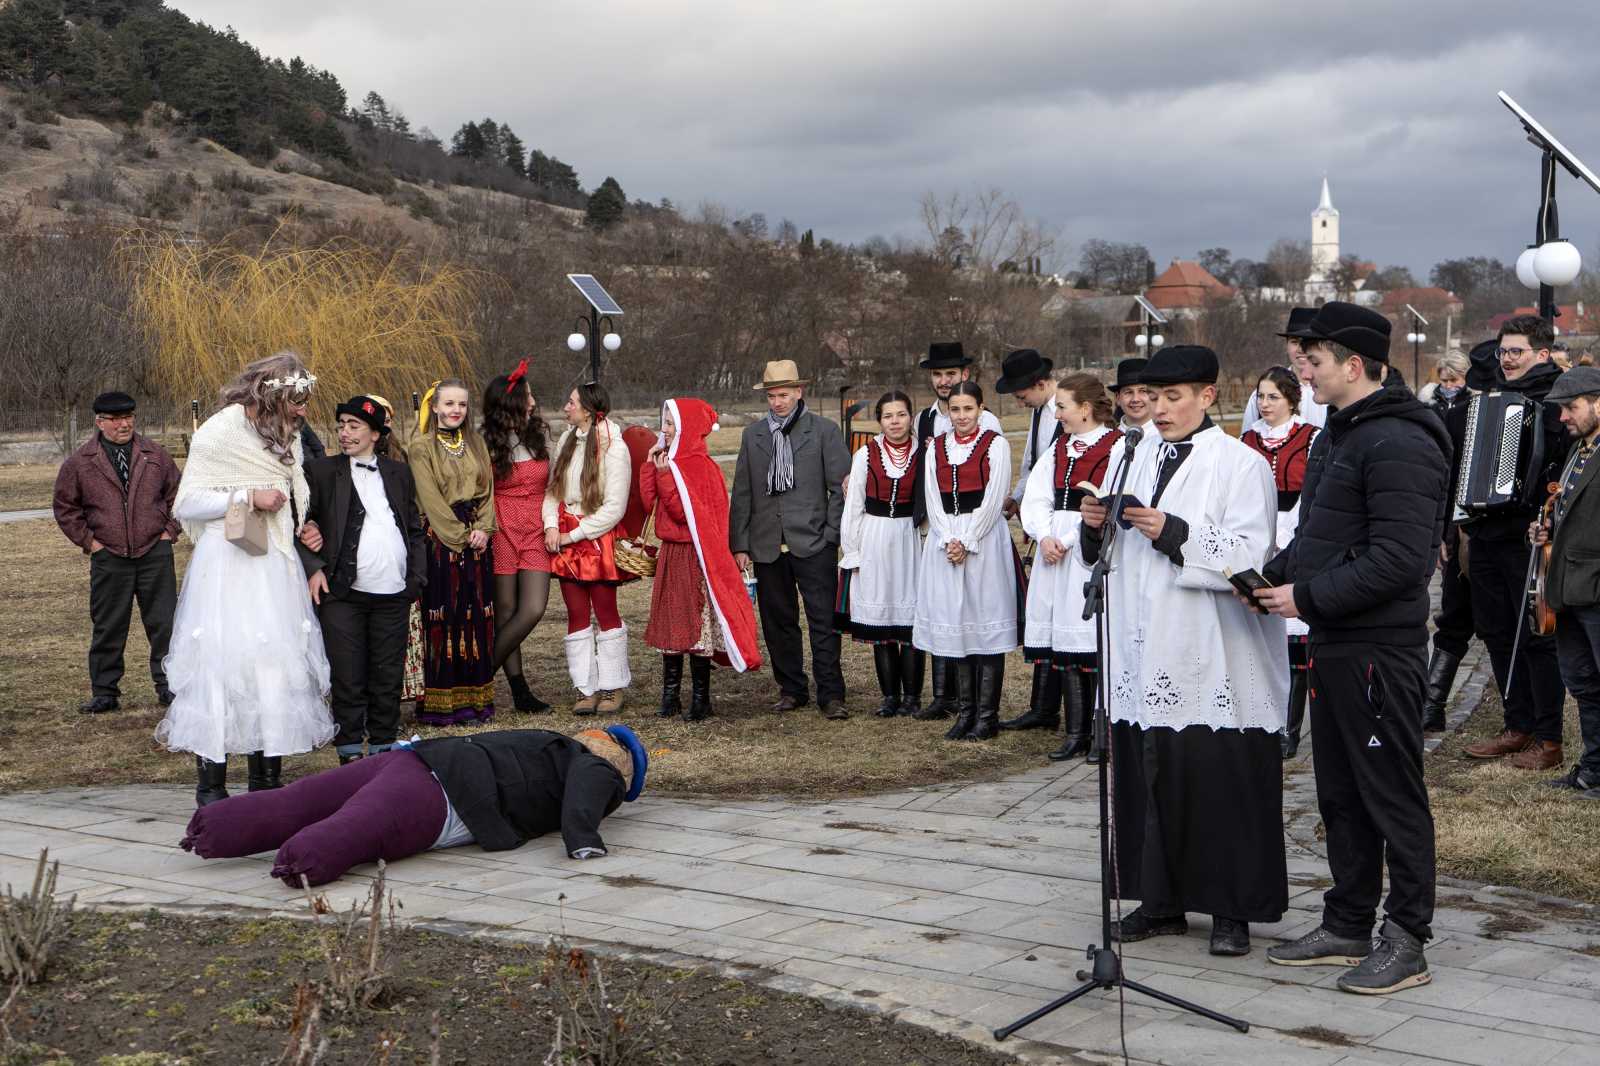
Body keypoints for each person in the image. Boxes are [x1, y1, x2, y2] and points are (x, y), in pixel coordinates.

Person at [1259, 301, 1449, 994]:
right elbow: (1321, 536)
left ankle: (1407, 938)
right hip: (1336, 644)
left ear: (1355, 364)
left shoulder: (1398, 440)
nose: (1301, 368)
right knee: (1340, 793)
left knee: (1390, 794)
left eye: (1313, 359)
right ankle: (1347, 921)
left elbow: (1401, 560)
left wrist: (1305, 598)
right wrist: (1269, 576)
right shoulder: (1341, 432)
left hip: (1379, 651)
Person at [1078, 344, 1287, 958]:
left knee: (1219, 776)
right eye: (1153, 398)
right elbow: (1109, 553)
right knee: (1151, 770)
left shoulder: (1241, 464)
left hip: (1214, 643)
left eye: (1174, 398)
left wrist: (1172, 532)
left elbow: (1251, 555)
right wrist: (1095, 524)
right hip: (1146, 636)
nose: (1160, 409)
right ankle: (1160, 899)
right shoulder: (1130, 455)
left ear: (1206, 396)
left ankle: (1231, 909)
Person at [156, 353, 335, 805]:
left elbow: (295, 498)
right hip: (229, 566)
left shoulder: (288, 438)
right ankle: (211, 786)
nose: (303, 411)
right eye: (296, 402)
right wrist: (247, 494)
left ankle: (265, 784)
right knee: (223, 664)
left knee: (271, 665)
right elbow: (188, 503)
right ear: (270, 396)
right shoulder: (219, 432)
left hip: (274, 564)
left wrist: (303, 523)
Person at [180, 725, 648, 887]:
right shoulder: (594, 764)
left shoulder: (548, 746)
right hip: (445, 792)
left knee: (298, 800)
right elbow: (589, 787)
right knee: (354, 829)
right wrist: (584, 841)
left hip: (414, 758)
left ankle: (212, 829)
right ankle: (300, 864)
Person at [1462, 315, 1569, 769]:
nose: (1506, 360)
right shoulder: (1490, 395)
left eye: (1516, 352)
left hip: (1531, 534)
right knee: (1497, 631)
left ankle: (1548, 737)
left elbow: (1564, 468)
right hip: (1486, 530)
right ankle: (1517, 724)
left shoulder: (1558, 400)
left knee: (1537, 635)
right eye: (1503, 351)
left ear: (1542, 354)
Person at [295, 396, 426, 765]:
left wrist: (416, 577)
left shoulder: (398, 472)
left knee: (386, 678)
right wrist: (313, 566)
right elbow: (297, 524)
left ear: (375, 433)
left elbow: (413, 529)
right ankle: (350, 757)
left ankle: (384, 754)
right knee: (348, 677)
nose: (344, 433)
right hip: (343, 593)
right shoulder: (322, 471)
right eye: (341, 425)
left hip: (394, 593)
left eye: (354, 426)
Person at [1007, 373, 1121, 763]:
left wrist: (1069, 538)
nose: (1056, 414)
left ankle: (1100, 732)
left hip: (1091, 553)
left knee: (1092, 642)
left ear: (1086, 409)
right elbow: (1038, 497)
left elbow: (1111, 504)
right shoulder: (1058, 449)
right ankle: (1075, 733)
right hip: (1054, 554)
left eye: (1062, 406)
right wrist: (1042, 535)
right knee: (1066, 646)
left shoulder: (1117, 447)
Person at [730, 360, 852, 719]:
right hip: (767, 544)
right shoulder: (753, 436)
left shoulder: (824, 432)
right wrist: (740, 543)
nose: (778, 402)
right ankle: (791, 688)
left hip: (813, 542)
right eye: (772, 396)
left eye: (784, 394)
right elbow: (742, 493)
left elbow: (842, 489)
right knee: (777, 621)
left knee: (822, 620)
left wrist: (831, 535)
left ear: (799, 392)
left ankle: (831, 694)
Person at [53, 390, 182, 714]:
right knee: (108, 625)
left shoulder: (155, 455)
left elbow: (179, 495)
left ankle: (170, 685)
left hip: (154, 552)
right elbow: (66, 507)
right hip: (109, 557)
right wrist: (90, 542)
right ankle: (105, 691)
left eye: (129, 417)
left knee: (165, 623)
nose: (124, 424)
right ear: (100, 422)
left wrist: (170, 531)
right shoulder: (80, 463)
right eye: (116, 419)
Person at [641, 397, 763, 719]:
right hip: (671, 554)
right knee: (672, 621)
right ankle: (670, 697)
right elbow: (647, 503)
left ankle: (700, 697)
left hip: (694, 556)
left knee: (696, 626)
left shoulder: (701, 468)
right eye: (664, 423)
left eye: (670, 424)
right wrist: (650, 467)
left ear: (687, 428)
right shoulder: (668, 461)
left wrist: (666, 476)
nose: (663, 430)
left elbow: (684, 515)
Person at [912, 381, 1019, 741]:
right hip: (946, 540)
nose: (961, 416)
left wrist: (969, 539)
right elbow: (931, 496)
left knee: (984, 621)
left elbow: (994, 499)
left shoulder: (996, 445)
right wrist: (948, 538)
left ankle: (987, 716)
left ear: (982, 409)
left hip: (984, 539)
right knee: (956, 622)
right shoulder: (936, 448)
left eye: (968, 409)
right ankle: (965, 711)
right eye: (955, 410)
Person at [408, 378, 498, 726]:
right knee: (445, 617)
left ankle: (477, 700)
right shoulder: (421, 447)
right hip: (442, 540)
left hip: (478, 539)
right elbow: (430, 502)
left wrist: (485, 530)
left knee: (477, 617)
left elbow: (488, 492)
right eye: (448, 404)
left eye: (461, 405)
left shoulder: (476, 444)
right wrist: (461, 536)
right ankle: (444, 703)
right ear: (435, 407)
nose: (455, 411)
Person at [1240, 366, 1320, 758]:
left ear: (1291, 399)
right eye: (1261, 396)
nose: (1265, 403)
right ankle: (1260, 721)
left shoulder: (1311, 438)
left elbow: (1316, 490)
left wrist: (1295, 530)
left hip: (1294, 531)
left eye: (1273, 396)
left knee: (1293, 643)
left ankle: (1290, 728)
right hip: (1257, 532)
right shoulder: (1246, 439)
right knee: (1259, 634)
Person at [545, 381, 633, 715]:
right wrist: (552, 525)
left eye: (571, 403)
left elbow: (615, 508)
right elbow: (552, 492)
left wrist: (573, 536)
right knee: (576, 613)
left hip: (595, 537)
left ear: (587, 410)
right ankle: (585, 688)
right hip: (567, 537)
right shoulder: (566, 441)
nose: (566, 407)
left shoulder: (615, 446)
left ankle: (612, 686)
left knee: (605, 610)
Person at [1533, 365, 1600, 798]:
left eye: (1571, 407)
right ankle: (1595, 767)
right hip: (1566, 586)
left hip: (1596, 585)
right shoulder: (1579, 449)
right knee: (1582, 683)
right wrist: (1545, 531)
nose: (1563, 417)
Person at [837, 391, 924, 717]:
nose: (895, 422)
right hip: (875, 536)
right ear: (879, 420)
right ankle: (890, 696)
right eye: (888, 416)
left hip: (909, 537)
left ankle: (913, 697)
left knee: (910, 620)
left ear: (910, 417)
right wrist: (854, 550)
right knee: (882, 619)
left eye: (901, 415)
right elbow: (854, 504)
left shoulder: (924, 452)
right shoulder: (866, 454)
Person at [483, 362, 555, 714]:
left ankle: (479, 677)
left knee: (533, 608)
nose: (533, 401)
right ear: (510, 402)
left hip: (536, 528)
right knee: (507, 610)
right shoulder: (487, 444)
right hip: (501, 527)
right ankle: (520, 692)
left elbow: (554, 484)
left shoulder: (538, 435)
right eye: (527, 396)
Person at [1421, 348, 1482, 731]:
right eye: (1444, 380)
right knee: (1454, 616)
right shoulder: (1430, 411)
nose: (1448, 387)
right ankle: (1432, 703)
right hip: (1450, 521)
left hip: (1469, 517)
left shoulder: (1474, 411)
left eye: (1454, 380)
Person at [1241, 307, 1330, 429]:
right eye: (1295, 342)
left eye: (1308, 342)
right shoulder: (1264, 392)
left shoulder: (1332, 391)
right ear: (1286, 346)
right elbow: (1247, 441)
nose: (1301, 349)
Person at [996, 348, 1057, 521]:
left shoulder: (1074, 408)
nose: (1020, 405)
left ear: (1040, 385)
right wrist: (1017, 497)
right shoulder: (1037, 411)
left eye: (1022, 397)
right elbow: (1033, 464)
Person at [1112, 357, 1153, 433]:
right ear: (1117, 398)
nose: (1135, 399)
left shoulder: (1168, 437)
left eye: (1143, 391)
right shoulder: (1106, 440)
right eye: (1128, 392)